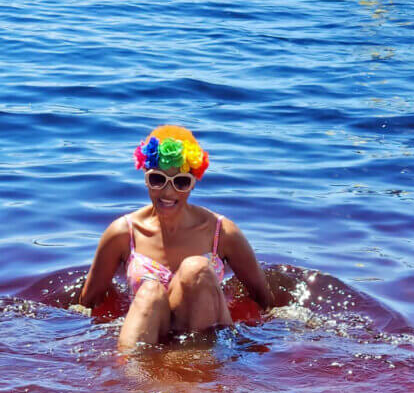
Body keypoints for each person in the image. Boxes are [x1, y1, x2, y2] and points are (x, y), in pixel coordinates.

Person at [79, 125, 275, 348]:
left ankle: (203, 365)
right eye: (157, 180)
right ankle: (130, 377)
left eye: (180, 182)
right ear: (145, 177)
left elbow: (264, 300)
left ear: (193, 182)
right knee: (151, 290)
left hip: (202, 331)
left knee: (196, 268)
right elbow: (88, 303)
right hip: (151, 329)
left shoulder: (222, 233)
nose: (168, 193)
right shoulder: (123, 233)